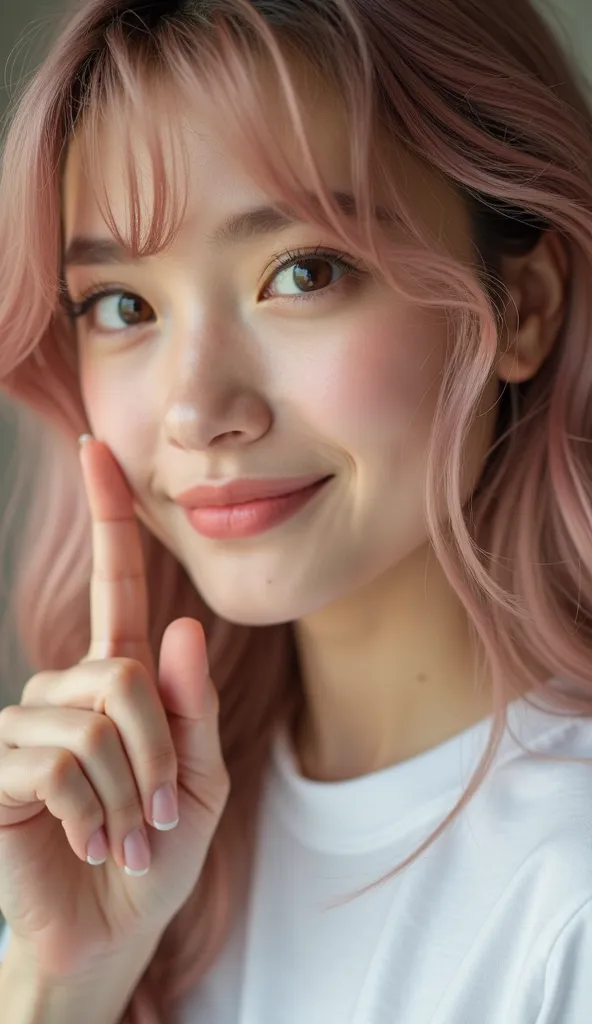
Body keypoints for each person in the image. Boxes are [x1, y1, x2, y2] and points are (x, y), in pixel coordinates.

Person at [0, 0, 592, 1019]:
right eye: (122, 306)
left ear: (523, 305)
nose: (196, 410)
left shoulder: (567, 893)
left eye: (301, 273)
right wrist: (61, 980)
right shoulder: (114, 850)